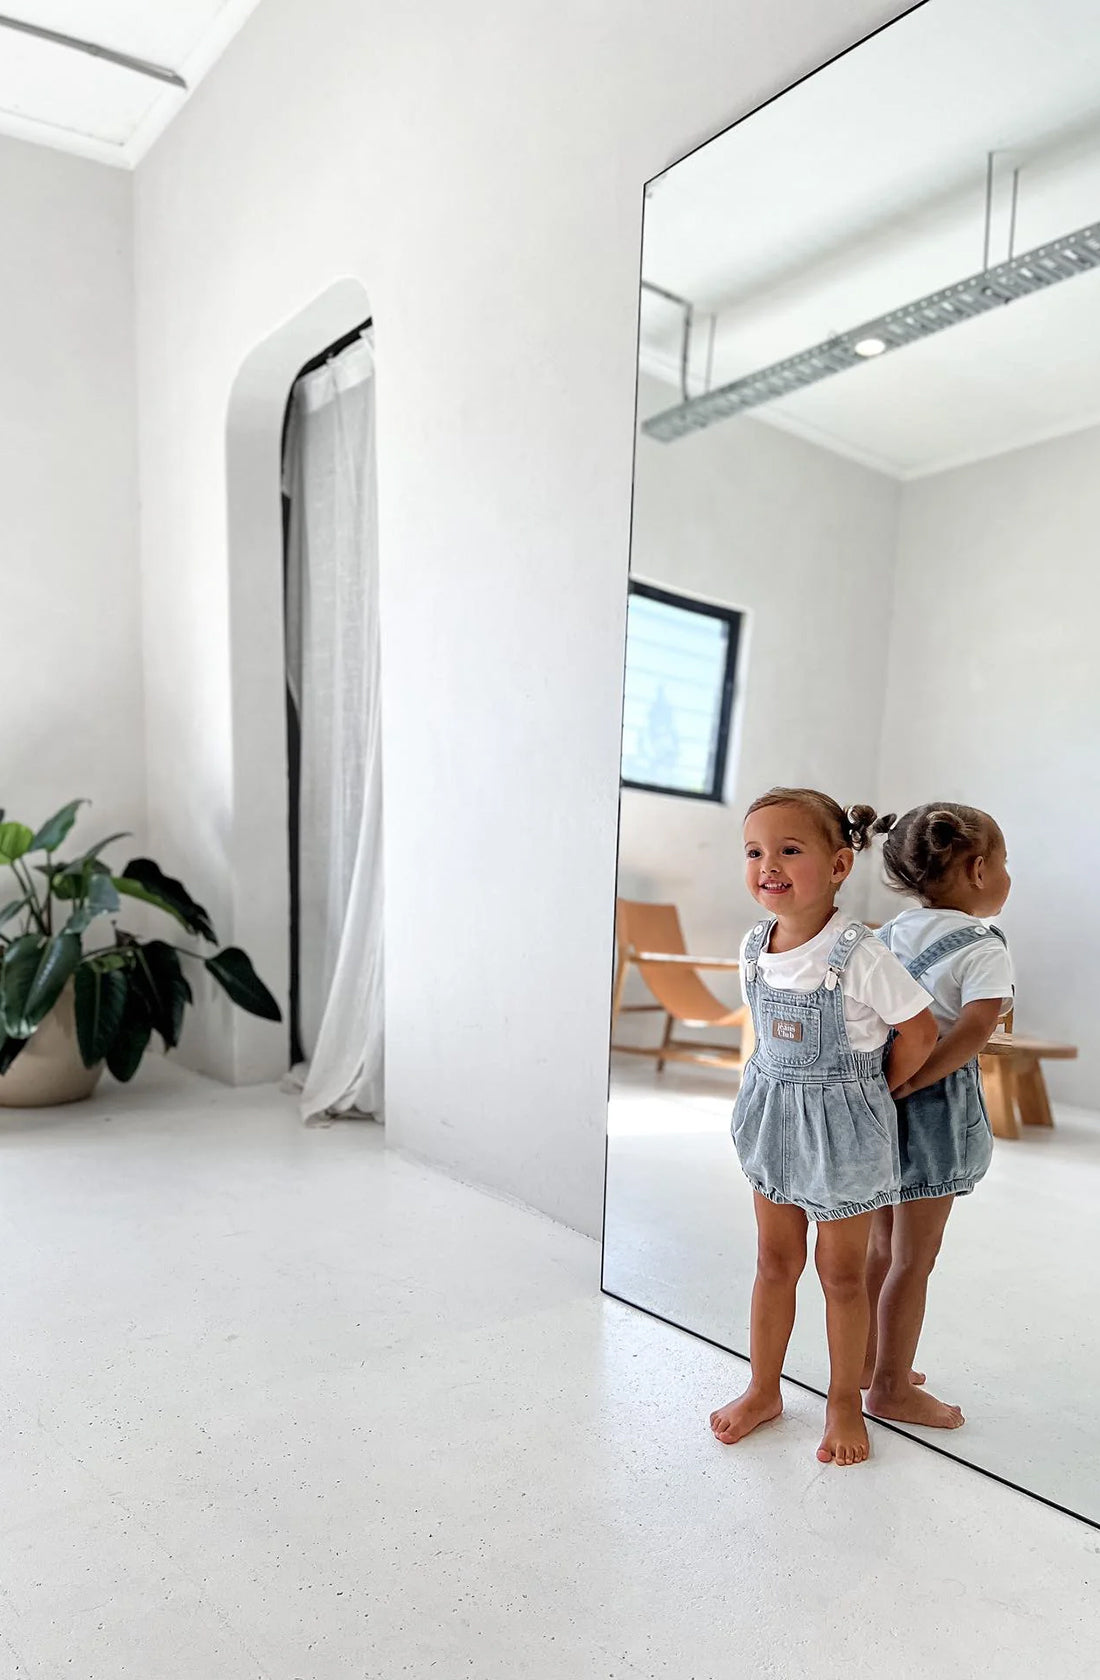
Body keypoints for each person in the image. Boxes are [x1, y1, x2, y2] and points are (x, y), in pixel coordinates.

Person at [710, 788, 938, 1466]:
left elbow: (919, 1031)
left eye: (789, 849)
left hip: (844, 1131)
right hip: (774, 1119)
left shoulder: (859, 952)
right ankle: (763, 1388)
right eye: (754, 851)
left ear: (840, 866)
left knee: (840, 1273)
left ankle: (843, 1400)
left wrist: (877, 1091)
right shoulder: (756, 944)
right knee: (773, 1262)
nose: (767, 865)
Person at [862, 803, 1012, 1430]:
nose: (1007, 875)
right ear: (979, 870)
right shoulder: (984, 946)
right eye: (1005, 863)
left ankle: (870, 1361)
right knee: (913, 1260)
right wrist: (922, 1077)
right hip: (932, 1109)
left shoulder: (887, 934)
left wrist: (892, 1077)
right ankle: (892, 1387)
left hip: (876, 1100)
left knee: (879, 1246)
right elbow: (977, 1028)